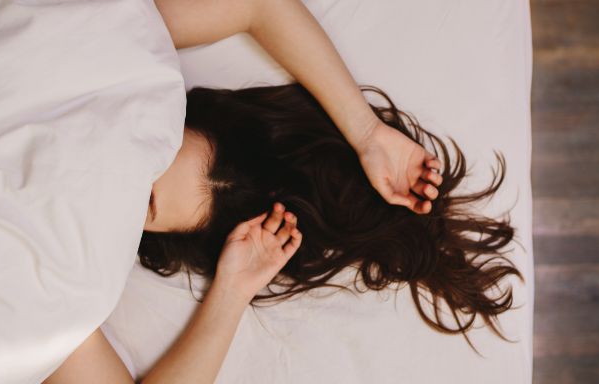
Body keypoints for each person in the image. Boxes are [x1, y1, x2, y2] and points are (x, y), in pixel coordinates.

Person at [45, 0, 520, 382]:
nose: (120, 174)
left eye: (145, 202)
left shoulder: (53, 270)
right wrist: (366, 134)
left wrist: (231, 292)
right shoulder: (99, 52)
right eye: (154, 153)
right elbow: (259, 5)